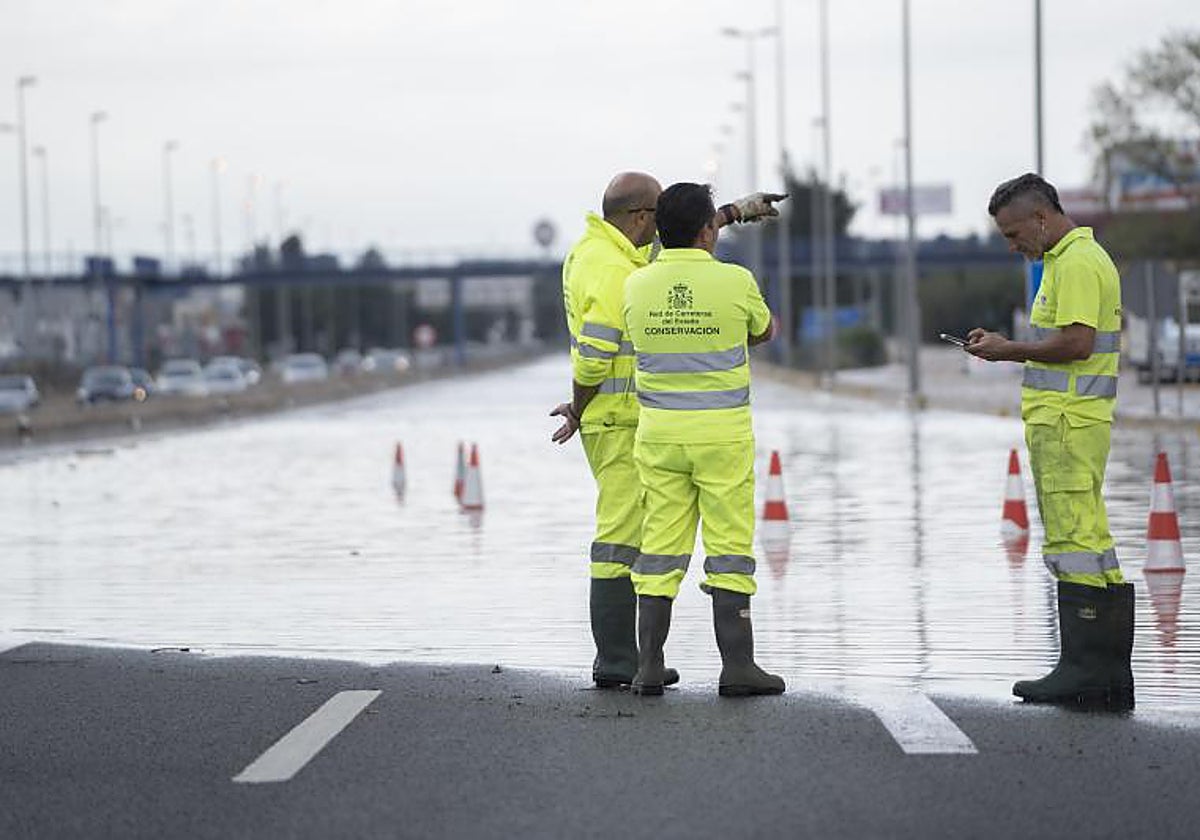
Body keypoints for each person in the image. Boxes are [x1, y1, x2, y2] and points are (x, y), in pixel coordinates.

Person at [550, 172, 782, 690]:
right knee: (639, 539)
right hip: (638, 423)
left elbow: (672, 261)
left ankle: (644, 662)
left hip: (653, 430)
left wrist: (733, 212)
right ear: (639, 218)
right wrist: (579, 407)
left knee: (655, 544)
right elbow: (593, 356)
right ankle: (625, 659)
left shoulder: (628, 271)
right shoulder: (615, 268)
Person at [966, 172, 1133, 710]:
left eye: (1015, 235)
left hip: (1066, 422)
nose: (1014, 247)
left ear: (1041, 218)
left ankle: (1082, 669)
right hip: (1074, 421)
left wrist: (1007, 349)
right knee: (1092, 540)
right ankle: (1107, 672)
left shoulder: (1077, 263)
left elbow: (1077, 344)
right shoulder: (1067, 261)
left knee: (1071, 541)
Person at [621, 181, 783, 697]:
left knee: (661, 548)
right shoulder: (736, 281)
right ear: (708, 231)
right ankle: (738, 667)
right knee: (730, 545)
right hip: (722, 438)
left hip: (661, 437)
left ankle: (648, 666)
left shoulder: (636, 286)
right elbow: (763, 332)